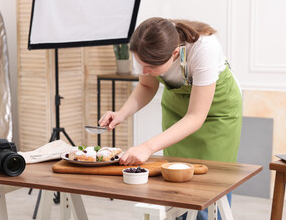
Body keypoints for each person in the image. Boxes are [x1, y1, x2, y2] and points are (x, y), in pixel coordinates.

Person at [99, 17, 242, 220]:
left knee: (209, 185)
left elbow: (195, 117)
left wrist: (147, 147)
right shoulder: (148, 45)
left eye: (151, 67)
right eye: (141, 64)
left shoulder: (204, 48)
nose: (144, 71)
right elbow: (147, 86)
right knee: (176, 180)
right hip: (177, 108)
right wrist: (121, 114)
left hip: (217, 113)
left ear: (175, 53)